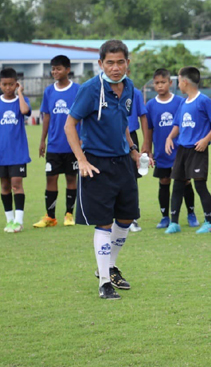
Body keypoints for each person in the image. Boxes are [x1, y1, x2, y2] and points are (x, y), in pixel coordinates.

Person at [65, 39, 141, 299]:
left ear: (127, 63)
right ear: (101, 64)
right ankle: (105, 283)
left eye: (121, 62)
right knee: (104, 223)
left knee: (127, 218)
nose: (116, 68)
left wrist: (133, 150)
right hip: (96, 163)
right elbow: (69, 125)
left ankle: (109, 266)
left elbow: (123, 122)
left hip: (122, 163)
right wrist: (82, 161)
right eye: (110, 63)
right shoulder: (90, 89)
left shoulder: (129, 87)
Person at [164, 67, 211, 234]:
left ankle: (209, 222)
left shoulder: (203, 100)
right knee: (177, 186)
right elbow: (177, 124)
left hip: (198, 150)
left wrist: (206, 139)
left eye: (179, 81)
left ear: (184, 81)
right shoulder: (183, 102)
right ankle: (174, 223)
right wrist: (169, 137)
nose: (178, 85)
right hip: (182, 149)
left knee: (199, 185)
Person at [145, 68, 197, 229]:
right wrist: (148, 148)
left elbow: (185, 124)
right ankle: (165, 217)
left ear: (170, 83)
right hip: (161, 151)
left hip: (180, 151)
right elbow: (149, 129)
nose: (160, 86)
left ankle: (191, 213)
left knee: (186, 181)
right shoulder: (151, 105)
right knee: (164, 181)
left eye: (163, 82)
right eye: (157, 83)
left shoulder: (180, 102)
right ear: (153, 84)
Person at [35, 55, 80, 228]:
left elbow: (82, 116)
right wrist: (42, 141)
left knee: (71, 177)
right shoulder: (49, 91)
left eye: (58, 68)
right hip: (54, 144)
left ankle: (69, 214)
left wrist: (82, 139)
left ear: (68, 70)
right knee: (51, 177)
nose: (55, 72)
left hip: (72, 144)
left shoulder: (77, 90)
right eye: (53, 69)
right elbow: (47, 116)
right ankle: (50, 216)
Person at [0, 68, 31, 233]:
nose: (8, 88)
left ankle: (19, 222)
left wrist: (20, 93)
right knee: (4, 186)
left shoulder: (22, 100)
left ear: (16, 84)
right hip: (1, 154)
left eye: (11, 84)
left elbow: (25, 112)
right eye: (4, 84)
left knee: (16, 184)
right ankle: (9, 221)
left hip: (17, 152)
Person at [126, 84, 150, 232]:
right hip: (109, 137)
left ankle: (132, 218)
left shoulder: (134, 92)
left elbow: (143, 116)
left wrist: (146, 142)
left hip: (131, 137)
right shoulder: (102, 90)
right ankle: (113, 217)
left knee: (131, 179)